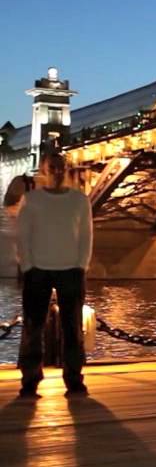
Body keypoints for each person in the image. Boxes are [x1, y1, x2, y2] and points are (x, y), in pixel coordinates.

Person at [16, 151, 94, 399]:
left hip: (71, 270)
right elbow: (23, 236)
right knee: (33, 328)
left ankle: (74, 380)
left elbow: (86, 237)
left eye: (61, 167)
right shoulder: (31, 200)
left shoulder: (80, 201)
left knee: (72, 329)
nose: (57, 171)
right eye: (52, 167)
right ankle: (30, 380)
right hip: (37, 270)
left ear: (66, 169)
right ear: (43, 170)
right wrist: (27, 265)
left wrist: (82, 264)